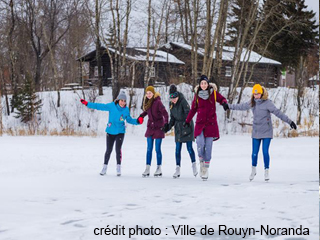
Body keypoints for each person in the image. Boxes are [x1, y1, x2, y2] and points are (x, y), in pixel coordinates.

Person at [222, 84, 297, 181]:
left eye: (257, 94)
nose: (256, 96)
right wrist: (228, 106)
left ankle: (266, 170)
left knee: (265, 152)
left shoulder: (268, 103)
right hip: (256, 131)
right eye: (254, 94)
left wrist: (290, 122)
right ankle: (253, 170)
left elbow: (278, 113)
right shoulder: (252, 102)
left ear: (261, 94)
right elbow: (241, 106)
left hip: (267, 131)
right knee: (254, 153)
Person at [80, 91, 141, 176]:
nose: (123, 103)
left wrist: (137, 121)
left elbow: (129, 120)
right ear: (118, 100)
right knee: (108, 150)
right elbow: (100, 106)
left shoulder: (126, 110)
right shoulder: (112, 106)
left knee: (118, 150)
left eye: (124, 101)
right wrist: (87, 104)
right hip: (110, 131)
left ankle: (118, 167)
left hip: (120, 131)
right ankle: (104, 167)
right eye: (121, 100)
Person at [185, 75, 228, 180]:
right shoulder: (197, 96)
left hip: (211, 124)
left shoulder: (213, 93)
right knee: (200, 142)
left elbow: (222, 99)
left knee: (208, 147)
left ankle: (205, 168)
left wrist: (224, 103)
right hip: (200, 123)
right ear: (199, 85)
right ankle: (201, 160)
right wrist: (187, 120)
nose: (203, 85)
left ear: (208, 84)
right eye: (202, 83)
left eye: (205, 83)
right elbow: (193, 109)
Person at [162, 84, 197, 178]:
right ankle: (177, 169)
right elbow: (172, 118)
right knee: (177, 149)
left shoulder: (183, 101)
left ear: (177, 96)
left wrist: (187, 122)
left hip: (187, 126)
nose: (173, 100)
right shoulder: (171, 104)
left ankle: (194, 165)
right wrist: (167, 127)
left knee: (189, 148)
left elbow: (188, 113)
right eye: (171, 98)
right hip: (178, 128)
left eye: (174, 98)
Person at [138, 86, 168, 177]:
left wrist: (166, 124)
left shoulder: (158, 102)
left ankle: (159, 168)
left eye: (150, 93)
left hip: (159, 128)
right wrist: (141, 116)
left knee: (157, 149)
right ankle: (147, 168)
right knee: (149, 149)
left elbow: (165, 114)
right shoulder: (148, 102)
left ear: (153, 93)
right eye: (147, 93)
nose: (148, 95)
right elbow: (147, 112)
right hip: (150, 128)